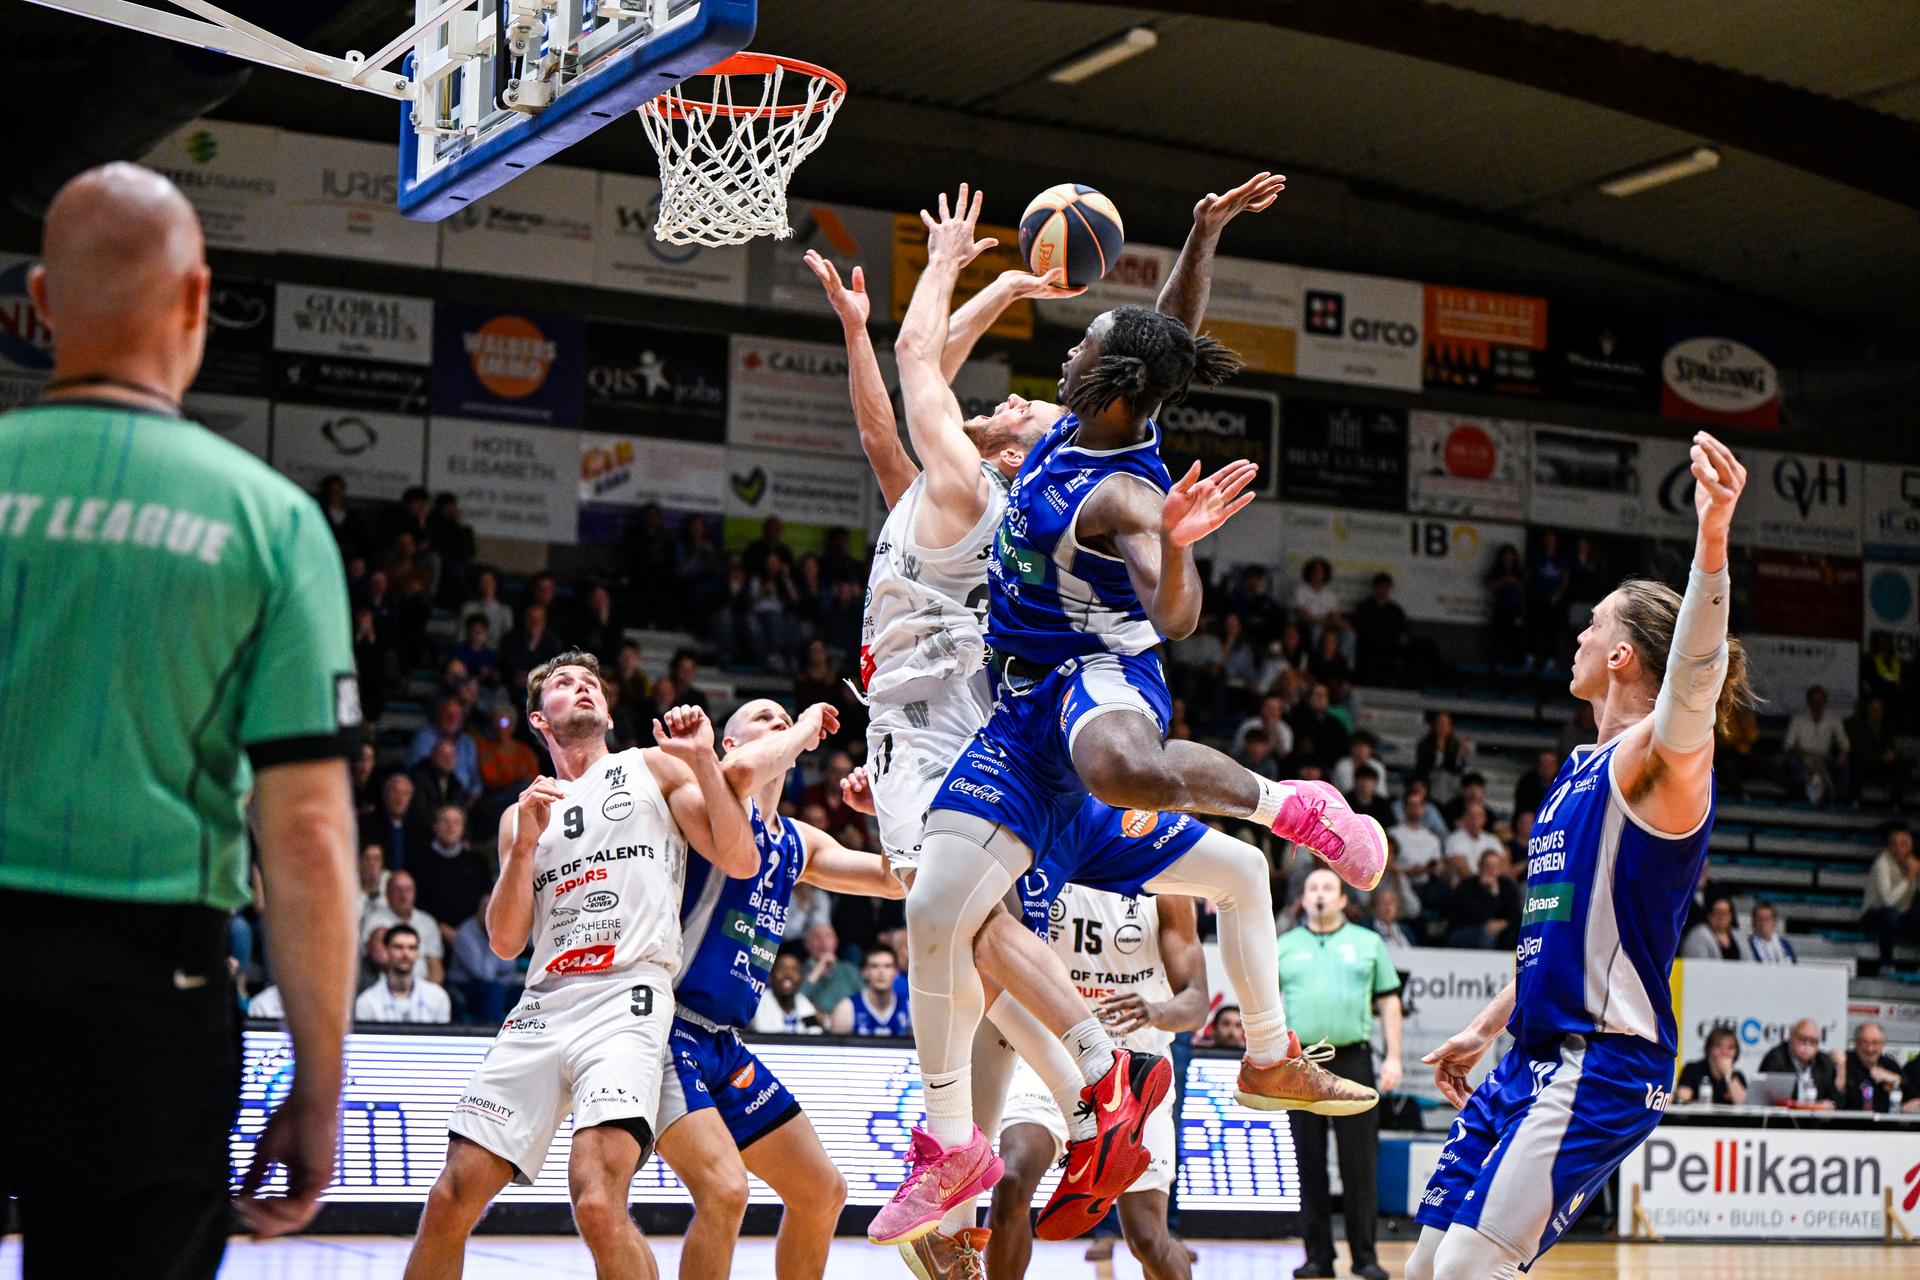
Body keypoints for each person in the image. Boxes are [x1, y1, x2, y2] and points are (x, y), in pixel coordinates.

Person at [887, 180, 1383, 1248]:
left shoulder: (1126, 489)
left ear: (1107, 383)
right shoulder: (1091, 408)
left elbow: (1178, 616)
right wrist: (1200, 230)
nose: (1066, 354)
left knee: (1118, 762)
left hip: (1099, 668)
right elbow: (1169, 332)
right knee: (933, 909)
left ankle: (1285, 801)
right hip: (1019, 704)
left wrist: (1186, 536)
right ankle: (947, 1149)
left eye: (1084, 350)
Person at [0, 165, 361, 1274]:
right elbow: (304, 836)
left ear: (43, 303)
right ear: (199, 299)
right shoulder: (272, 523)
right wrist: (320, 1079)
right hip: (145, 1000)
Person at [1411, 433, 1756, 1280]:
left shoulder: (1659, 762)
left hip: (1602, 1060)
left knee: (1464, 1274)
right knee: (1421, 1270)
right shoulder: (1576, 772)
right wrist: (1484, 1026)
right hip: (1529, 1054)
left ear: (1622, 655)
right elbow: (1558, 932)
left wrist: (1712, 541)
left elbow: (1695, 682)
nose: (1578, 632)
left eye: (1594, 621)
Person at [403, 655, 752, 1279]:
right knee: (448, 1197)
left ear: (609, 712)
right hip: (542, 1005)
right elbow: (506, 942)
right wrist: (526, 846)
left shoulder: (651, 766)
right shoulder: (521, 813)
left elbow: (739, 857)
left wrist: (702, 759)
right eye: (563, 684)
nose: (581, 686)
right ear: (539, 718)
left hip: (627, 997)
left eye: (590, 682)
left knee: (596, 1201)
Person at [653, 696, 905, 1280]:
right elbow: (737, 778)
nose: (782, 723)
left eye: (785, 719)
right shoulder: (712, 801)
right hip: (668, 1030)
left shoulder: (797, 840)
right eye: (765, 718)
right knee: (725, 1192)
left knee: (821, 1191)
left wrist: (878, 813)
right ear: (732, 745)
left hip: (723, 1042)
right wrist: (808, 726)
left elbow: (893, 882)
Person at [988, 884, 1208, 1280]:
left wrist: (1157, 1010)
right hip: (1051, 1054)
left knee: (1147, 1238)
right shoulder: (1040, 862)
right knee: (1011, 1181)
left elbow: (1196, 1002)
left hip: (1137, 1069)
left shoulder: (1166, 882)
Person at [1281, 868, 1404, 1280]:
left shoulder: (1368, 943)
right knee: (1309, 1162)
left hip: (1353, 1059)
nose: (1319, 893)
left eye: (1327, 888)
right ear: (1302, 899)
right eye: (1312, 887)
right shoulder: (1284, 946)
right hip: (1302, 1065)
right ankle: (1318, 1256)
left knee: (1359, 1165)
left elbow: (1389, 1002)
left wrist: (1394, 1059)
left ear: (1342, 899)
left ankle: (1365, 1257)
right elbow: (1265, 1003)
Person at [361, 870, 446, 985]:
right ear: (387, 894)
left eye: (408, 889)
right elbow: (377, 957)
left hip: (423, 989)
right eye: (397, 889)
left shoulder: (428, 922)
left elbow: (435, 966)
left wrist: (428, 992)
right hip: (385, 986)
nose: (403, 895)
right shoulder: (374, 919)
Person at [447, 893, 520, 1026]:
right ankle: (487, 1036)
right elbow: (484, 974)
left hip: (498, 985)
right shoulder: (465, 934)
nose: (489, 912)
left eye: (494, 907)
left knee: (524, 993)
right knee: (494, 992)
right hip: (466, 988)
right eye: (486, 907)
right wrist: (492, 936)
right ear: (478, 910)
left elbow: (511, 969)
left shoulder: (505, 930)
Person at [356, 924, 453, 1023]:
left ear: (417, 952)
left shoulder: (438, 997)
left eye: (411, 948)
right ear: (386, 950)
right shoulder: (367, 1002)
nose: (405, 953)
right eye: (398, 947)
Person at [1782, 685, 1851, 804]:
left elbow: (1844, 741)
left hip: (1824, 759)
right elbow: (1788, 745)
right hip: (1803, 758)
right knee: (1791, 763)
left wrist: (1843, 753)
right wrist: (1800, 753)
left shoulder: (1833, 719)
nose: (1818, 704)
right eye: (1815, 700)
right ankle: (1802, 798)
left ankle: (1839, 801)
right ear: (1809, 702)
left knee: (1844, 766)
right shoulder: (1798, 720)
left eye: (1821, 701)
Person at [1862, 824, 1918, 966]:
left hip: (1902, 917)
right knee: (1890, 914)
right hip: (1875, 916)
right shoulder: (1882, 863)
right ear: (1889, 847)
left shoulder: (1913, 864)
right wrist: (1908, 878)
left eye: (1903, 844)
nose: (1898, 848)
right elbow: (1888, 900)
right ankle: (1886, 964)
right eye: (1894, 844)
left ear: (1911, 848)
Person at [1757, 1019, 1842, 1108]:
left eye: (1813, 1041)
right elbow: (1770, 1099)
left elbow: (1836, 1099)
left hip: (1815, 1119)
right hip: (1785, 1119)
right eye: (1802, 1039)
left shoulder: (1824, 1062)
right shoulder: (1776, 1058)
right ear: (1791, 1037)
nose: (1807, 1045)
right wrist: (1808, 1107)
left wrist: (1830, 1106)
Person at [409, 695, 483, 795]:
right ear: (438, 715)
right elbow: (418, 773)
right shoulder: (424, 738)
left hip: (462, 799)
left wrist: (469, 800)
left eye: (457, 715)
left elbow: (476, 781)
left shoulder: (468, 743)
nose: (452, 718)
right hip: (430, 796)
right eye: (447, 713)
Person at [831, 945, 911, 1035]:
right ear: (864, 972)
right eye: (874, 966)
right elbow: (836, 1047)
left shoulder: (909, 1008)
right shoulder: (847, 1008)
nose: (881, 972)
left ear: (896, 972)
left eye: (887, 966)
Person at [753, 950, 824, 1035]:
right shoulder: (756, 1002)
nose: (788, 973)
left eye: (794, 969)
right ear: (771, 976)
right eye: (781, 968)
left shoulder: (805, 1004)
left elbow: (815, 1035)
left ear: (801, 978)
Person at [798, 920, 862, 1013]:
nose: (824, 943)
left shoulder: (848, 969)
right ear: (807, 944)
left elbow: (867, 1000)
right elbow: (795, 1001)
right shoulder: (799, 971)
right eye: (817, 937)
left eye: (828, 937)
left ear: (836, 942)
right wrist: (817, 971)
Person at [1841, 1022, 1904, 1114]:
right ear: (1856, 1043)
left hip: (1885, 1124)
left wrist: (1893, 1078)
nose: (1870, 1049)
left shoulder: (1889, 1064)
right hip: (1851, 1124)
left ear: (1883, 1044)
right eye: (1865, 1042)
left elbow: (1907, 1087)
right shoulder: (1845, 1062)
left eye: (1875, 1043)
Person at [1674, 1026, 1746, 1105]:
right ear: (1709, 1049)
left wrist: (1729, 1075)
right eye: (1719, 1046)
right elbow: (1683, 1097)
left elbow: (1743, 1103)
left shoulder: (1738, 1076)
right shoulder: (1692, 1069)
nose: (1724, 1052)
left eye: (1730, 1048)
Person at [1680, 896, 1744, 961]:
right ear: (1709, 915)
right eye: (1718, 912)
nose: (1722, 917)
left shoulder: (1738, 935)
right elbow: (1699, 964)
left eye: (1725, 913)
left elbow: (1749, 961)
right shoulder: (1697, 935)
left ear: (1731, 916)